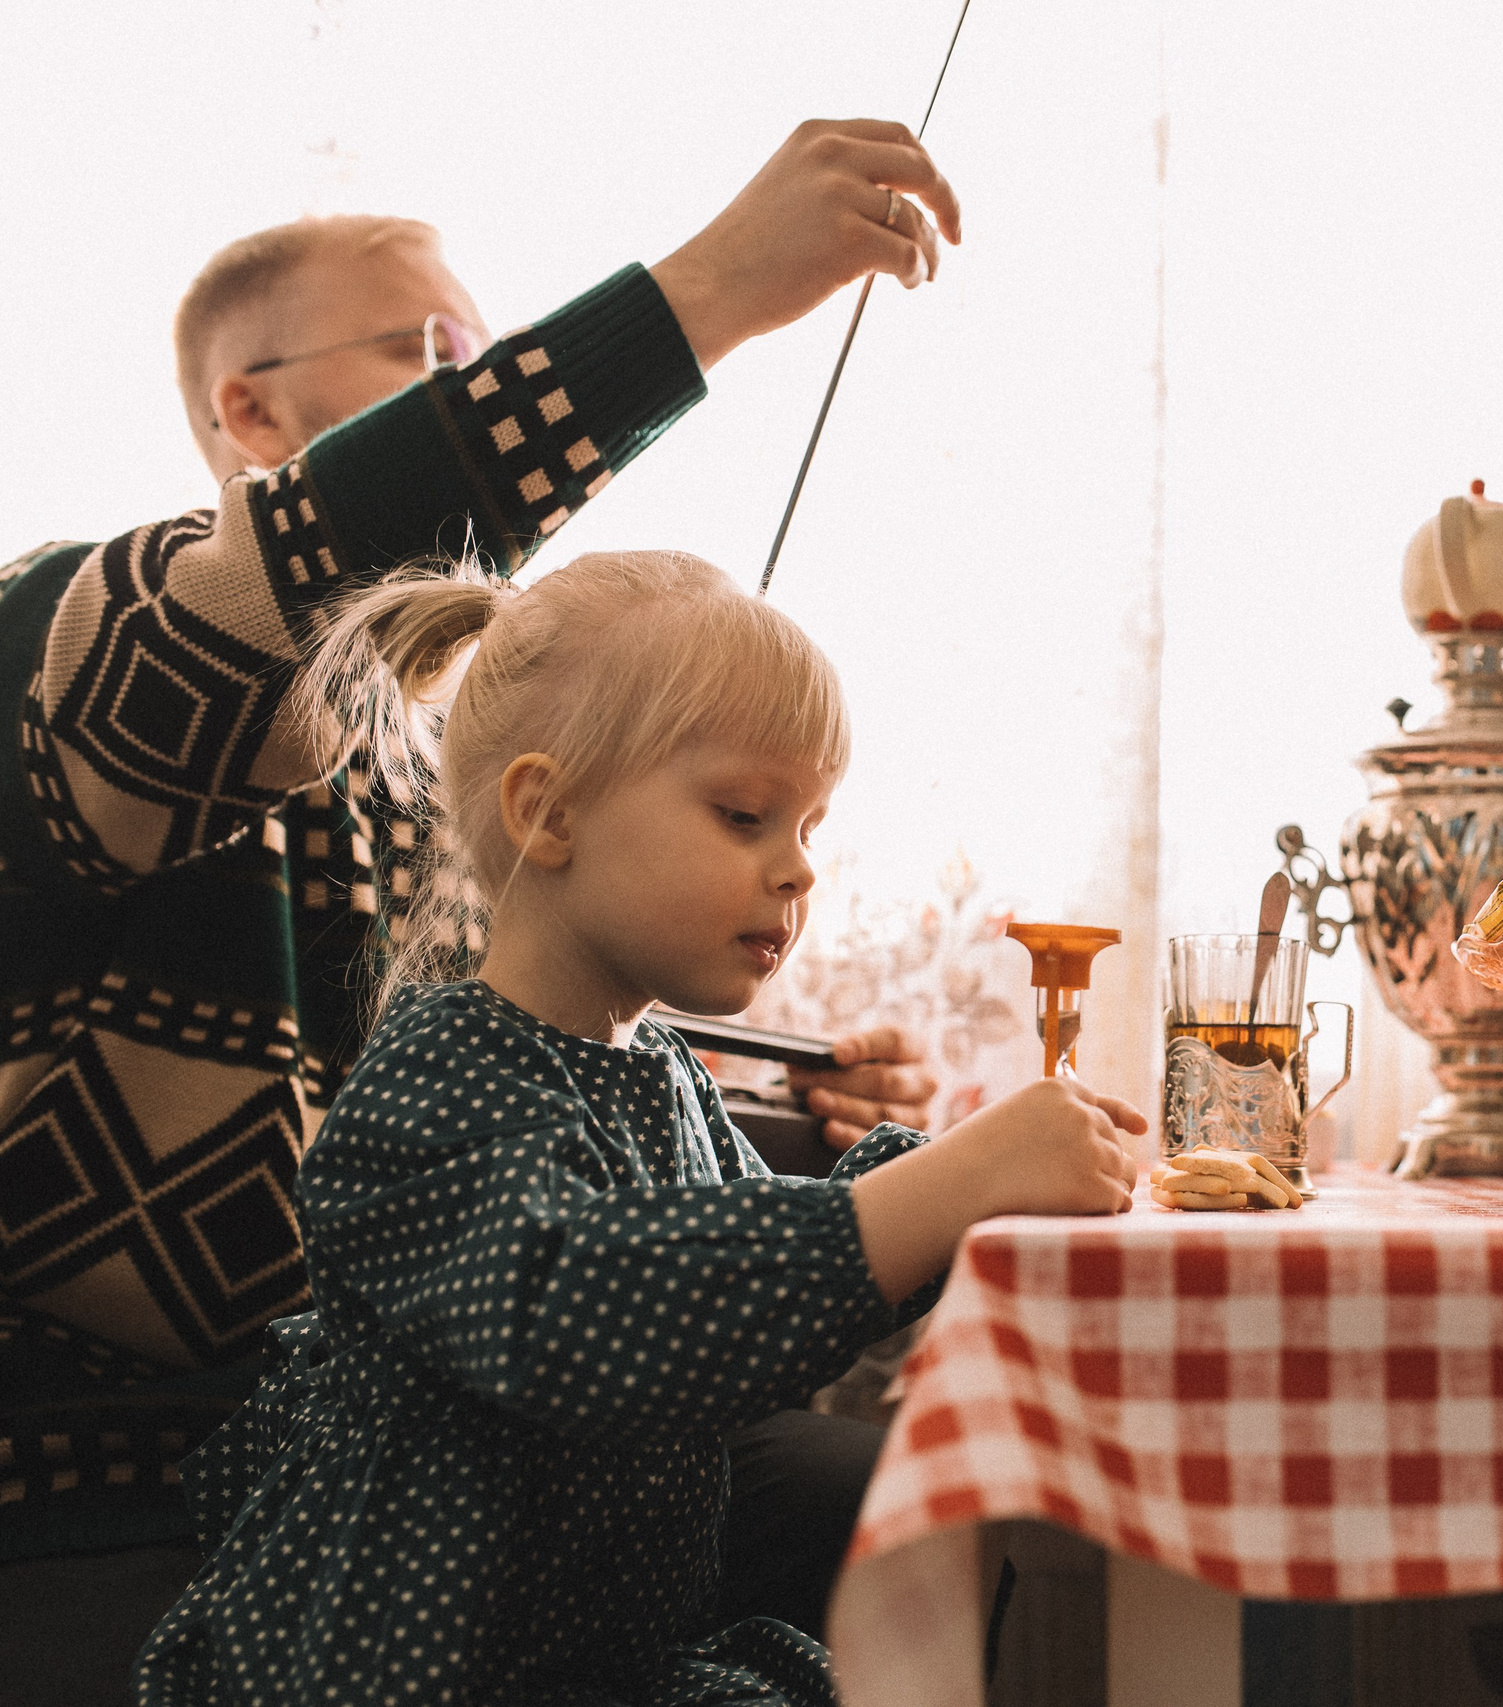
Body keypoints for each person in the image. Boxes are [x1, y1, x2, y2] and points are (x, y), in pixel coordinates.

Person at [0, 119, 958, 1698]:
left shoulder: (430, 782)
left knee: (925, 1510)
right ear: (252, 409)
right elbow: (255, 616)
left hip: (476, 1436)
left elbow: (518, 1113)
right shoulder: (66, 643)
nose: (489, 387)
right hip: (117, 1486)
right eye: (445, 355)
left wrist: (809, 1135)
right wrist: (704, 295)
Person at [130, 548, 1147, 1705]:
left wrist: (968, 1182)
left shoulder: (659, 1071)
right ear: (547, 812)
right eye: (744, 814)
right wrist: (937, 1192)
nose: (799, 867)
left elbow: (752, 1250)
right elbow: (580, 1307)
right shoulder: (436, 1078)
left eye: (810, 823)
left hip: (593, 1657)